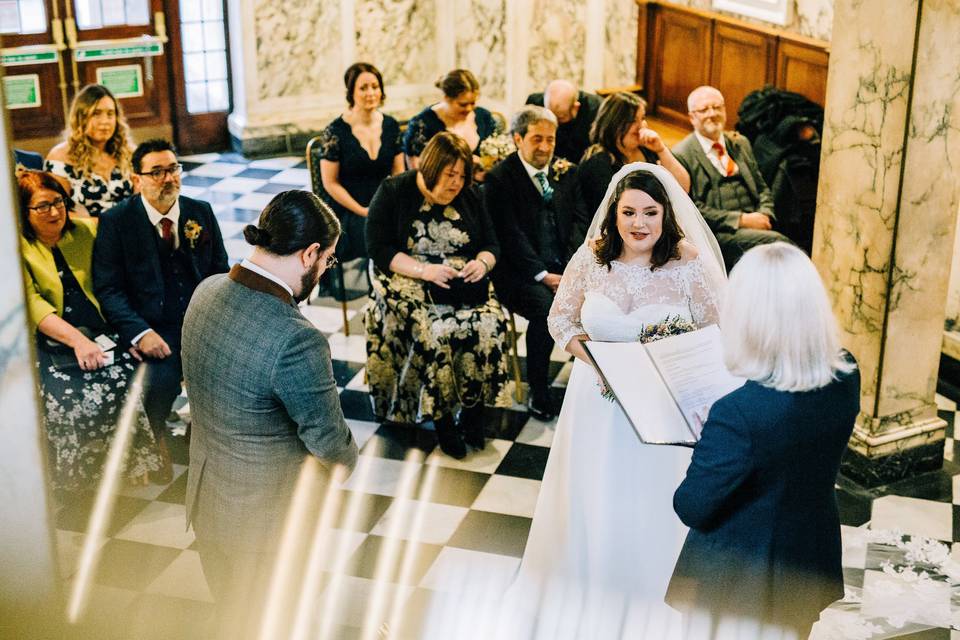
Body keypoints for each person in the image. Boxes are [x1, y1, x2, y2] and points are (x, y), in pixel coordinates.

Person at [504, 164, 727, 639]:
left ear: (667, 215)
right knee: (593, 495)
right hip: (597, 403)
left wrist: (667, 364)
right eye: (628, 212)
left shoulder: (688, 266)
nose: (639, 223)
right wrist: (599, 362)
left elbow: (716, 334)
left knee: (649, 502)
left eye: (650, 212)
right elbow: (561, 321)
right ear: (614, 213)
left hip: (663, 408)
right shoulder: (591, 258)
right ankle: (588, 586)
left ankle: (651, 595)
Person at [183, 190, 359, 638]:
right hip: (268, 524)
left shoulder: (206, 291)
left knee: (232, 616)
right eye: (329, 260)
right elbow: (333, 447)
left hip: (209, 503)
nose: (325, 270)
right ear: (310, 254)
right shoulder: (296, 338)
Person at [666, 242, 859, 640]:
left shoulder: (739, 412)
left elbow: (691, 506)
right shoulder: (847, 372)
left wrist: (711, 441)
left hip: (740, 577)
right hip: (807, 552)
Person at [365, 132, 512, 459]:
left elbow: (492, 243)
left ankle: (473, 412)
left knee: (490, 326)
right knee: (434, 332)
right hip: (408, 275)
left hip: (463, 279)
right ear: (431, 170)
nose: (457, 183)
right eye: (450, 175)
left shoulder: (471, 194)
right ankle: (443, 417)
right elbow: (378, 248)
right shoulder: (394, 191)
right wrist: (424, 271)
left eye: (462, 176)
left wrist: (482, 263)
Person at [93, 139, 229, 483]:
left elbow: (219, 270)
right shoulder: (117, 222)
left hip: (201, 321)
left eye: (172, 169)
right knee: (158, 380)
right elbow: (109, 289)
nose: (167, 178)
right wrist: (139, 332)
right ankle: (154, 442)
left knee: (234, 369)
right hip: (153, 326)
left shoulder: (200, 212)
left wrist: (219, 321)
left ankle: (208, 436)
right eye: (156, 172)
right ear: (137, 178)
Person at [18, 170, 160, 491]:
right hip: (49, 337)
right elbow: (33, 304)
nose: (54, 212)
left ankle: (130, 463)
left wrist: (130, 333)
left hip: (98, 327)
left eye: (58, 202)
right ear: (23, 211)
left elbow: (113, 285)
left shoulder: (85, 232)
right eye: (42, 206)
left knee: (125, 376)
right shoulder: (17, 249)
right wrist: (79, 342)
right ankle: (75, 477)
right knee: (64, 393)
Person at [484, 105, 586, 420]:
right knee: (546, 311)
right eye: (537, 139)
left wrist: (571, 269)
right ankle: (538, 390)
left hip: (566, 267)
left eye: (550, 140)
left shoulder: (566, 172)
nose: (545, 147)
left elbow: (580, 222)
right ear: (518, 138)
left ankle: (590, 384)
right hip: (519, 273)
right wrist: (543, 275)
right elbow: (510, 236)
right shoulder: (500, 179)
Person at [672, 86, 790, 269]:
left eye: (717, 107)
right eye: (704, 110)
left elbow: (762, 187)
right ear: (692, 117)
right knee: (781, 247)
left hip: (757, 225)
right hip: (719, 232)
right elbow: (692, 209)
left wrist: (765, 214)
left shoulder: (740, 143)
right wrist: (742, 220)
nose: (712, 113)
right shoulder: (681, 154)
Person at [318, 62, 404, 265]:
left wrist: (392, 203)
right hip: (348, 207)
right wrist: (362, 210)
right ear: (351, 93)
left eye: (375, 86)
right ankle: (378, 284)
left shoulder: (390, 125)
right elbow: (330, 183)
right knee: (375, 230)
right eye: (363, 88)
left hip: (382, 199)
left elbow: (399, 173)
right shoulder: (335, 131)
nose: (370, 93)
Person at [577, 92, 690, 219]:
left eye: (642, 118)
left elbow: (683, 188)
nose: (642, 126)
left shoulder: (647, 148)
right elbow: (611, 213)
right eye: (633, 121)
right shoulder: (598, 162)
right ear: (615, 124)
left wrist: (661, 150)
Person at [45, 84, 135, 218]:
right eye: (96, 114)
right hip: (85, 233)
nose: (105, 121)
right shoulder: (59, 157)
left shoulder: (129, 153)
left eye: (110, 114)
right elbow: (55, 211)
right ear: (81, 117)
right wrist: (97, 224)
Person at [402, 69, 501, 170]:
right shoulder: (422, 124)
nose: (469, 109)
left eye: (473, 103)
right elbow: (416, 169)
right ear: (446, 98)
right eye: (463, 104)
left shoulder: (484, 117)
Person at [526, 79, 602, 164]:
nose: (554, 123)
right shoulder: (534, 105)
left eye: (560, 118)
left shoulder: (596, 110)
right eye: (550, 116)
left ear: (575, 108)